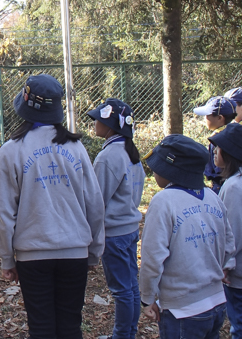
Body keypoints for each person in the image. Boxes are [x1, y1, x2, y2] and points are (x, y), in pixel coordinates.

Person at [0, 74, 105, 339]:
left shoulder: (11, 151)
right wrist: (94, 250)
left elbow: (3, 210)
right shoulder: (76, 148)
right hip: (75, 252)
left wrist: (7, 257)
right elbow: (95, 203)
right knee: (70, 327)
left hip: (33, 255)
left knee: (41, 328)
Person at [140, 134, 235, 339]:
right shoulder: (212, 197)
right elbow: (229, 242)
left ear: (170, 169)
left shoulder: (163, 201)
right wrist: (226, 266)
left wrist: (147, 298)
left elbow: (152, 257)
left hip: (182, 310)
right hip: (217, 302)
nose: (154, 171)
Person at [87, 99, 145, 339]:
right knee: (131, 285)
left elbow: (96, 200)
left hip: (115, 234)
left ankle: (123, 336)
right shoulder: (130, 153)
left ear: (111, 126)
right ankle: (129, 332)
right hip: (130, 229)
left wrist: (90, 237)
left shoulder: (108, 156)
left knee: (121, 290)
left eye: (99, 119)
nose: (95, 123)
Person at [209, 122, 242, 338]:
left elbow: (233, 231)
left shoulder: (233, 187)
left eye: (218, 149)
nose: (214, 153)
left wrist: (225, 264)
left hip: (237, 273)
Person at [193, 96, 237, 193]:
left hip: (222, 187)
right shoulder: (235, 133)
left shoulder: (219, 140)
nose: (205, 118)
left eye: (207, 115)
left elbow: (220, 171)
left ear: (220, 118)